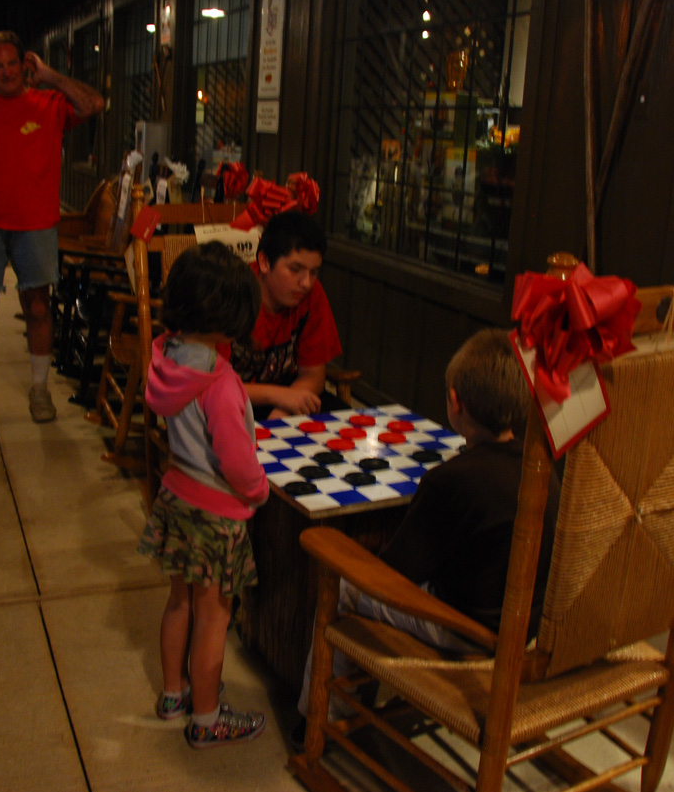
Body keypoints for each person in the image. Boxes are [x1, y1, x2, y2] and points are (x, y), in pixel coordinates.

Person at [295, 327, 560, 729]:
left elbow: (393, 575)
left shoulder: (452, 479)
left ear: (455, 402)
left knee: (347, 588)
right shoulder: (542, 471)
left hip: (471, 632)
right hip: (527, 626)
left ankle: (320, 719)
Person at [136, 242, 270, 749]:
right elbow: (236, 459)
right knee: (215, 616)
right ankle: (208, 718)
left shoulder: (167, 357)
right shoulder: (220, 380)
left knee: (179, 601)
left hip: (176, 495)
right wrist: (258, 490)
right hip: (215, 513)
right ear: (229, 316)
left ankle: (174, 694)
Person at [0, 30, 105, 424]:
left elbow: (94, 104)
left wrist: (50, 76)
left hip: (36, 224)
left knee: (38, 305)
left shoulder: (49, 103)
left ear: (24, 63)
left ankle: (39, 389)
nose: (6, 72)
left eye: (12, 63)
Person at [227, 211, 344, 420]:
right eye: (295, 269)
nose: (306, 283)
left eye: (314, 272)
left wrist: (285, 408)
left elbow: (313, 376)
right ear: (264, 262)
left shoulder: (311, 294)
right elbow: (207, 386)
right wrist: (281, 397)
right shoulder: (230, 295)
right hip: (230, 401)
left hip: (291, 394)